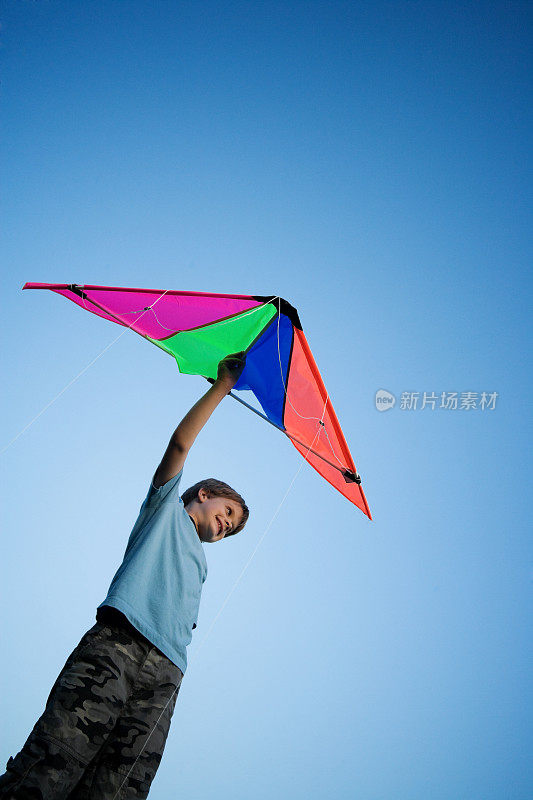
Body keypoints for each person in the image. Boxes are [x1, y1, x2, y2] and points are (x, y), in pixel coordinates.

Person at [0, 353, 249, 800]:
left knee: (120, 789)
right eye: (227, 512)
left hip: (166, 675)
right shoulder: (166, 507)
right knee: (57, 756)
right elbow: (179, 445)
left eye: (231, 528)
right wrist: (222, 387)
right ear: (204, 494)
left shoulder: (203, 564)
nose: (226, 524)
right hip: (120, 644)